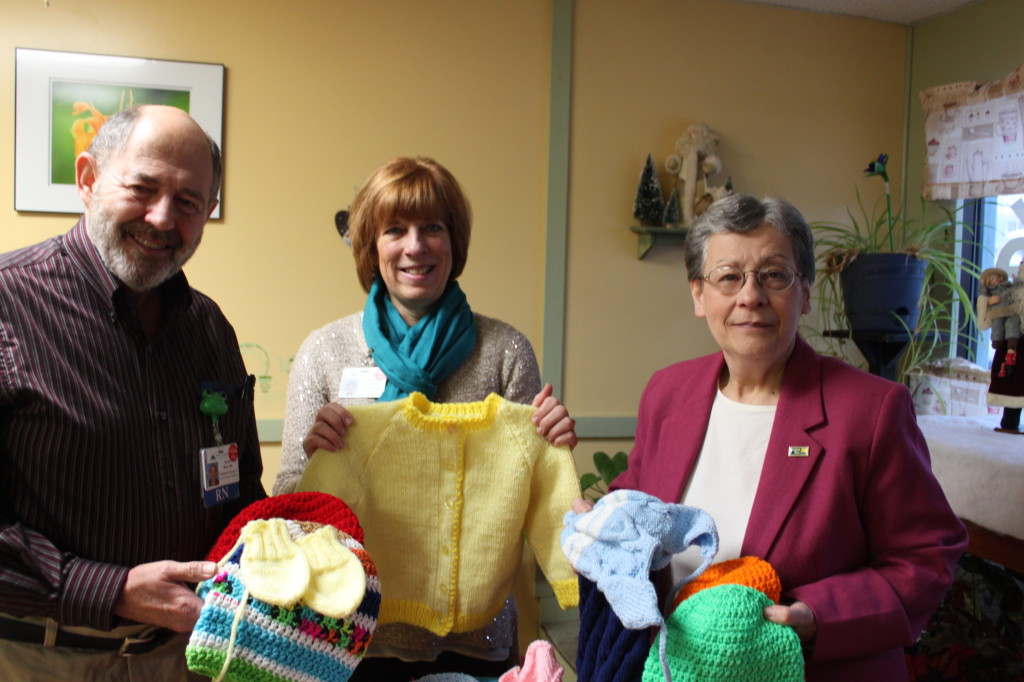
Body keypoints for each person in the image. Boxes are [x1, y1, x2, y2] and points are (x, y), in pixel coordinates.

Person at [607, 194, 967, 681]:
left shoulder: (871, 410)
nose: (750, 295)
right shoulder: (667, 393)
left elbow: (926, 558)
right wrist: (601, 519)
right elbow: (634, 503)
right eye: (728, 277)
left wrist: (818, 617)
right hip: (677, 668)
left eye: (774, 275)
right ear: (698, 294)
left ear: (807, 293)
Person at [273, 156, 577, 678]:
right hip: (352, 633)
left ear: (454, 242)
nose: (415, 246)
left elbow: (536, 492)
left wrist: (554, 441)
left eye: (432, 228)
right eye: (396, 230)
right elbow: (287, 499)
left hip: (476, 637)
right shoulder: (326, 350)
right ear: (371, 246)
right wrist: (311, 459)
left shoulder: (504, 350)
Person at [0, 105, 265, 680]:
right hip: (42, 658)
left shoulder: (211, 329)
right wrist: (112, 589)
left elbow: (239, 484)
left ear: (208, 213)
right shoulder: (7, 305)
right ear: (89, 178)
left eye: (189, 201)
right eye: (142, 187)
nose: (163, 217)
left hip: (190, 658)